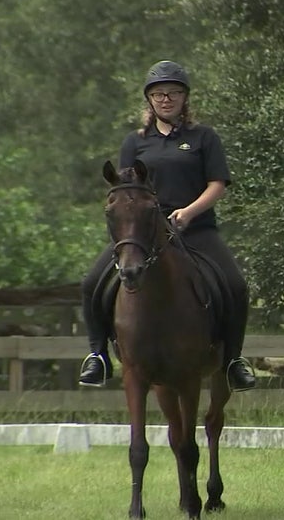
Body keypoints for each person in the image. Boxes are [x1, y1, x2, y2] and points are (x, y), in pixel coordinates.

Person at [77, 60, 257, 392]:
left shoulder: (204, 137)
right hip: (144, 232)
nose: (166, 99)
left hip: (196, 228)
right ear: (149, 100)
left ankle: (233, 360)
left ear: (184, 98)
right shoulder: (135, 142)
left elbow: (217, 184)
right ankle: (98, 355)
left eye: (173, 93)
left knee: (235, 285)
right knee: (91, 283)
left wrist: (189, 212)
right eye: (159, 94)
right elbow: (126, 187)